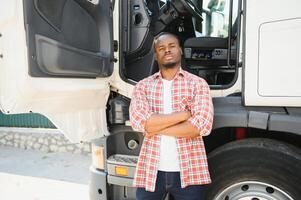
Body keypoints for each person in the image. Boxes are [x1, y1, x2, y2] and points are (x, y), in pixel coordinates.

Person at [129, 32, 214, 200]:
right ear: (156, 55)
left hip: (189, 171)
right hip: (151, 170)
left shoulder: (197, 84)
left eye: (172, 46)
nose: (167, 50)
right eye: (161, 48)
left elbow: (201, 126)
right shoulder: (143, 86)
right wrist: (182, 115)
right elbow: (139, 122)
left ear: (180, 50)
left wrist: (154, 128)